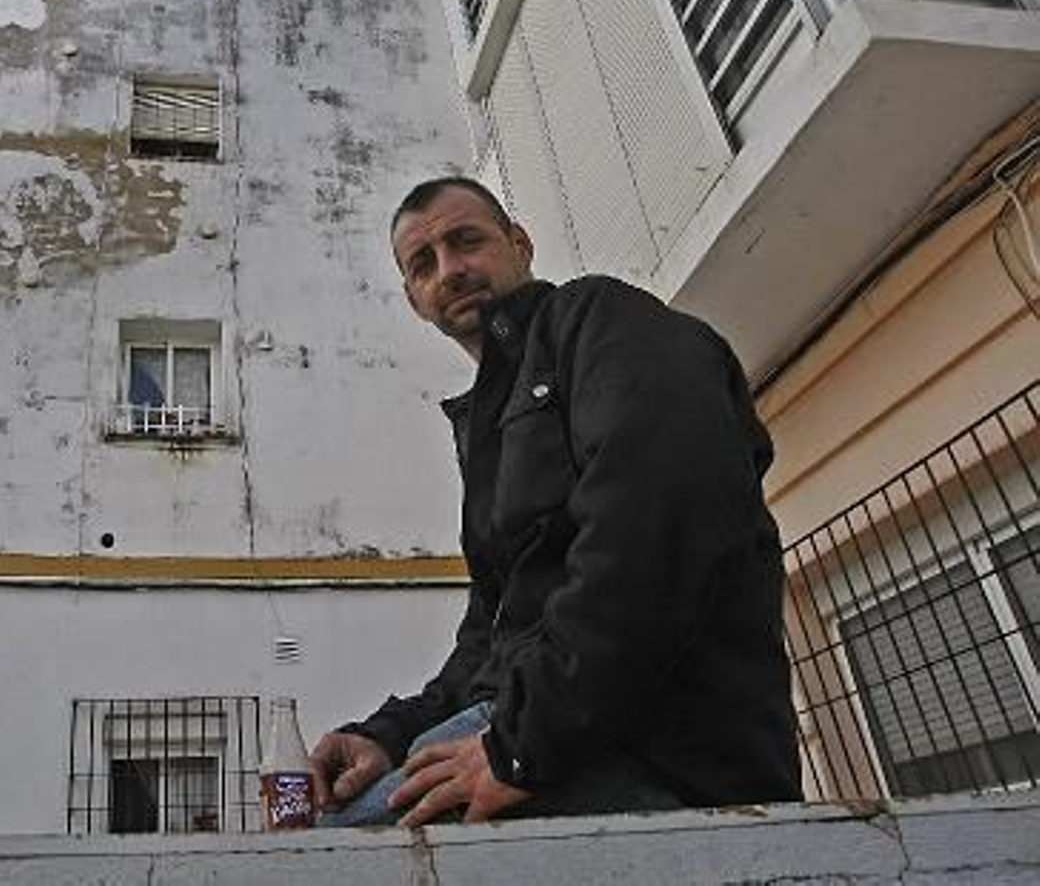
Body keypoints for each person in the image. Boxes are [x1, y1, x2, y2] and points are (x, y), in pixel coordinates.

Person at [311, 178, 800, 828]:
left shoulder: (602, 320)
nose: (450, 271)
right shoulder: (488, 428)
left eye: (467, 241)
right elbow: (492, 636)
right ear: (413, 299)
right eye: (423, 263)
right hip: (557, 735)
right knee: (334, 814)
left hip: (661, 758)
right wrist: (389, 735)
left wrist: (523, 750)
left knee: (340, 840)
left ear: (520, 243)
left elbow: (656, 524)